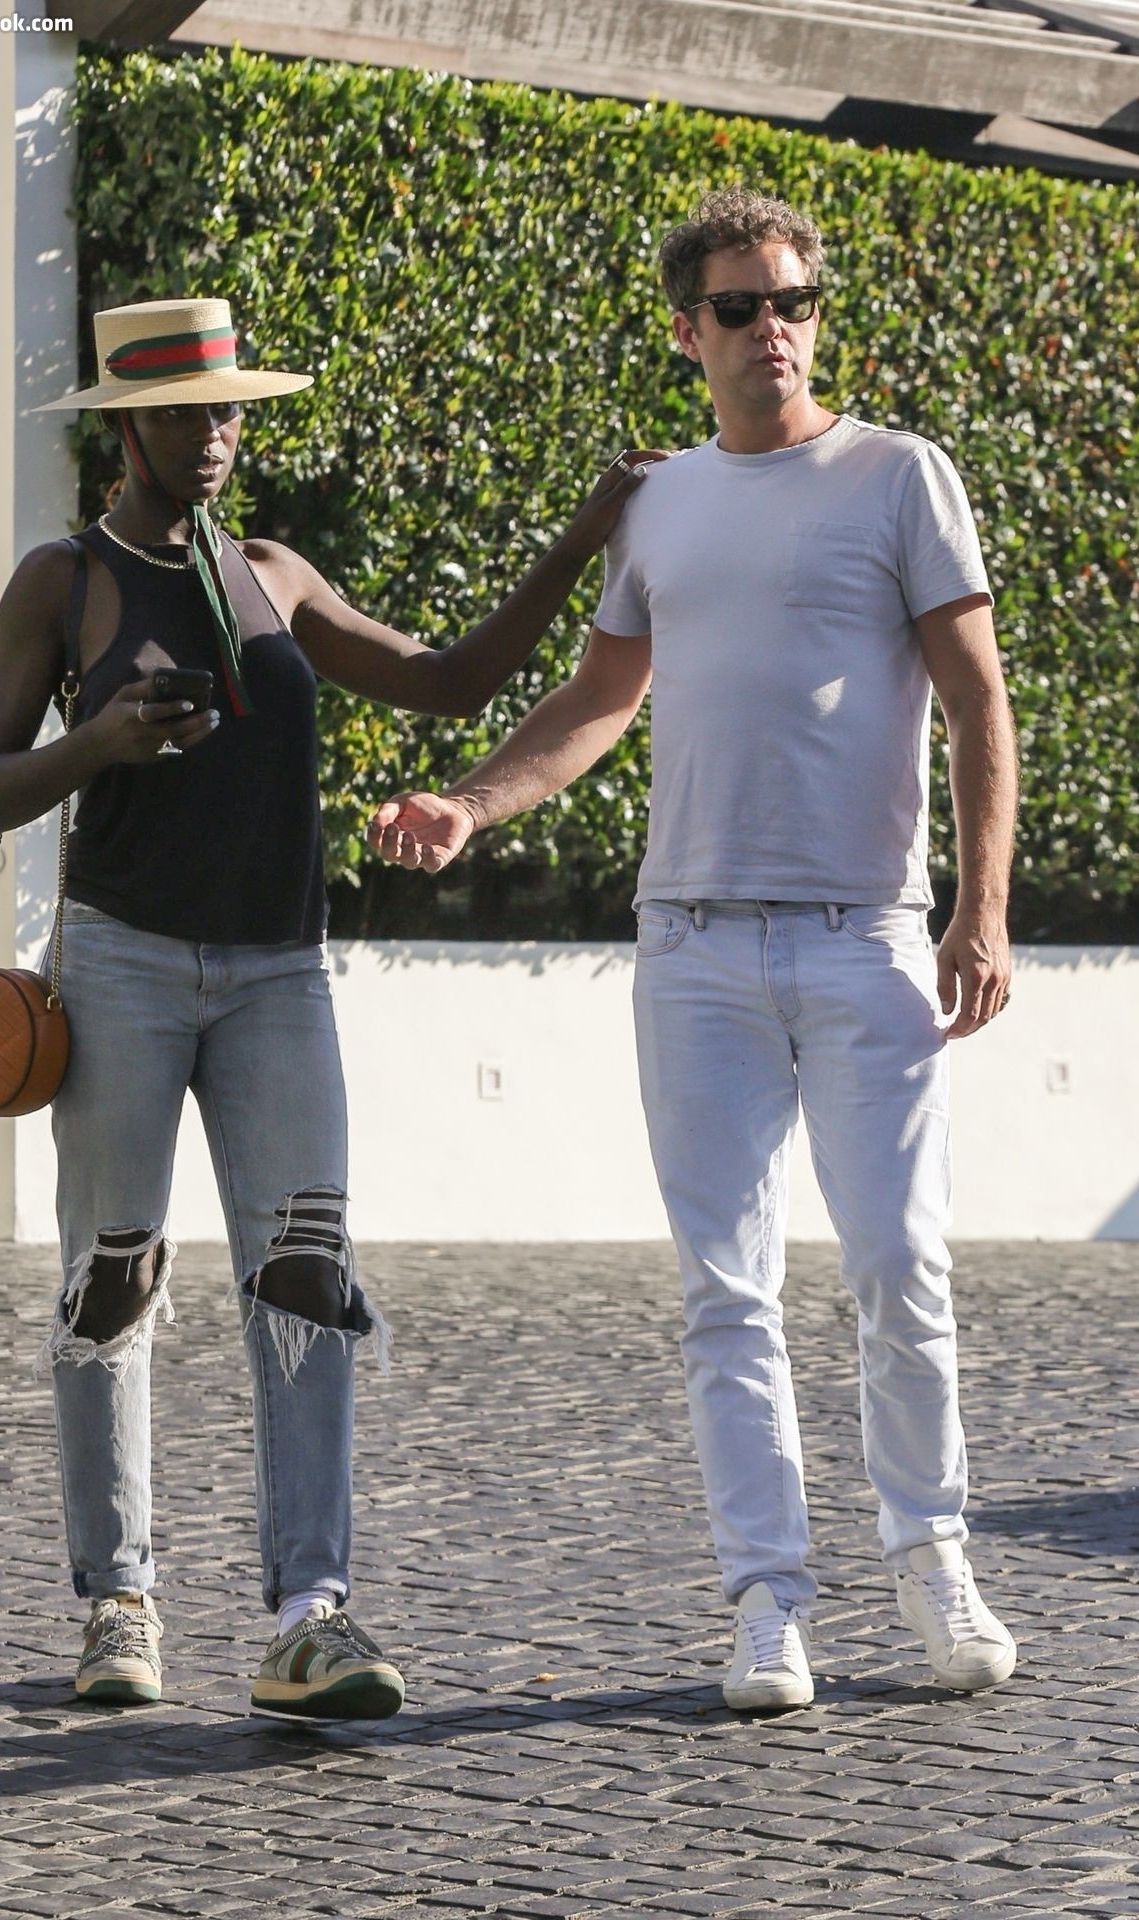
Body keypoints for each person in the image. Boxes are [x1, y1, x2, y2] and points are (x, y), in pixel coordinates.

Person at [366, 188, 1021, 1711]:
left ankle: (933, 1563)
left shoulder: (902, 476)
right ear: (688, 332)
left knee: (902, 1268)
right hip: (694, 950)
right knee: (727, 1292)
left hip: (868, 938)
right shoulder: (659, 507)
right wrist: (469, 805)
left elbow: (978, 699)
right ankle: (767, 1605)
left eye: (794, 302)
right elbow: (601, 700)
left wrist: (982, 910)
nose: (771, 329)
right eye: (740, 307)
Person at [0, 296, 657, 1717]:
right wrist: (101, 740)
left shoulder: (273, 573)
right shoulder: (64, 582)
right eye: (187, 413)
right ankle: (117, 1603)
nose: (216, 434)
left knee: (310, 1282)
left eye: (230, 410)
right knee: (112, 1276)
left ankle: (309, 1617)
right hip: (122, 963)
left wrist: (586, 537)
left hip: (280, 970)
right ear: (128, 429)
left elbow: (451, 683)